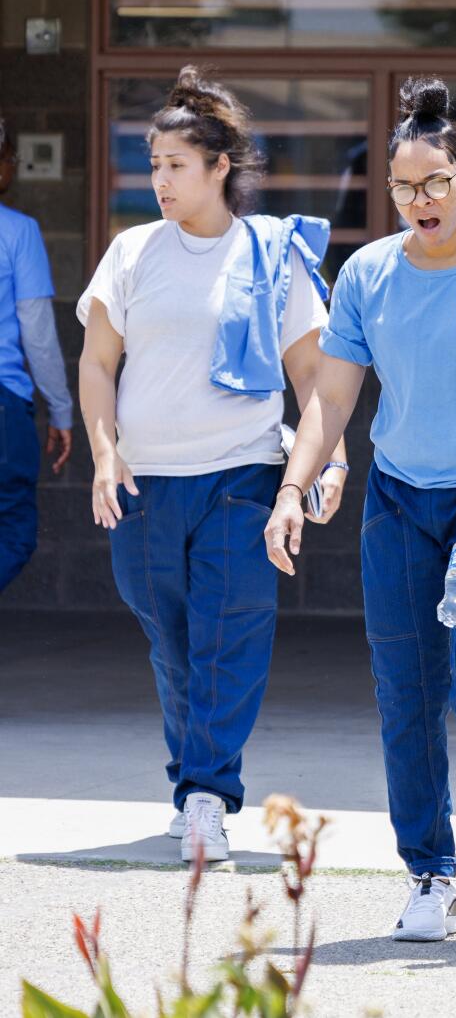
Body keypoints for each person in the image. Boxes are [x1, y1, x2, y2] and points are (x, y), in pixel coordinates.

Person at [263, 76, 456, 951]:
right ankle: (430, 874)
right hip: (398, 504)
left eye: (435, 182)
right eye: (403, 187)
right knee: (406, 692)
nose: (420, 200)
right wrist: (293, 487)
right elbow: (329, 399)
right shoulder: (367, 273)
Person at [76, 68, 346, 864]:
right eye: (152, 164)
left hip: (242, 477)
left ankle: (205, 795)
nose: (158, 179)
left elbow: (314, 380)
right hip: (145, 483)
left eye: (175, 165)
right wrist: (103, 451)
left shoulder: (274, 255)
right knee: (173, 640)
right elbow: (96, 364)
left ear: (220, 166)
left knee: (230, 635)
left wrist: (327, 464)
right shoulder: (130, 254)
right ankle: (193, 779)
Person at [0, 116, 74, 591]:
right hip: (4, 408)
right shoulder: (17, 232)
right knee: (13, 530)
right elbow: (39, 335)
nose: (14, 169)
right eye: (10, 159)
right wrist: (62, 411)